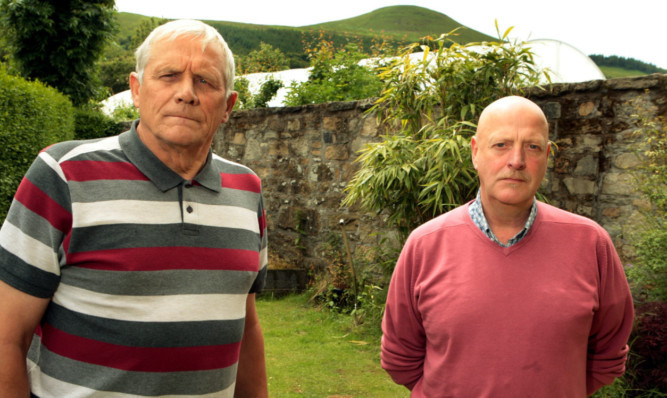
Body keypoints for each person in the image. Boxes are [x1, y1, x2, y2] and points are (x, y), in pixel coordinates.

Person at [0, 19, 268, 397]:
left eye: (205, 81)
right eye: (169, 75)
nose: (186, 93)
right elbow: (6, 336)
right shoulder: (63, 174)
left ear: (228, 106)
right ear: (136, 90)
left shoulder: (247, 190)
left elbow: (247, 327)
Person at [381, 96, 634, 397]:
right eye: (501, 144)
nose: (517, 160)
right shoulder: (424, 245)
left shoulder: (591, 243)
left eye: (533, 146)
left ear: (548, 156)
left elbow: (607, 355)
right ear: (476, 152)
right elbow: (400, 359)